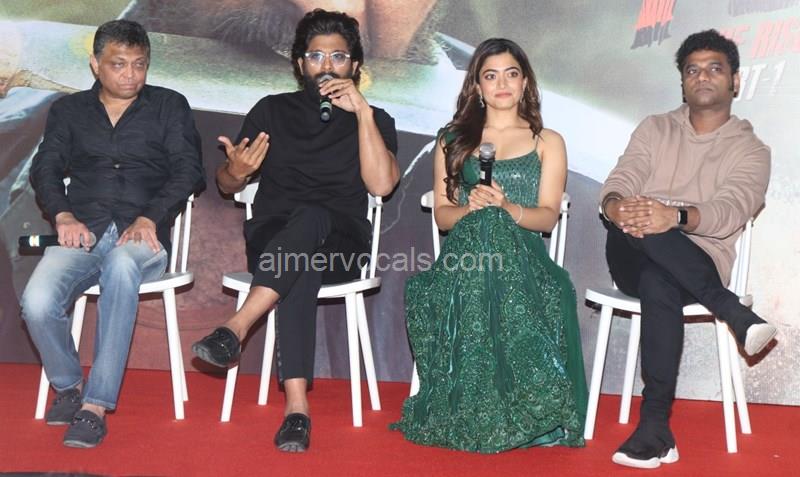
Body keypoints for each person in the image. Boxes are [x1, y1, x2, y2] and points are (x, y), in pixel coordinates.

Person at [191, 9, 399, 453]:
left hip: (343, 246)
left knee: (312, 220)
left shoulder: (376, 118)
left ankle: (236, 328)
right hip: (274, 241)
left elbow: (382, 185)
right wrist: (235, 171)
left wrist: (361, 113)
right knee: (299, 257)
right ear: (300, 63)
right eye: (316, 56)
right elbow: (227, 185)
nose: (326, 66)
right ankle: (296, 410)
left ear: (355, 65)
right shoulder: (272, 110)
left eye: (338, 56)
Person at [391, 38, 587, 453]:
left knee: (494, 224)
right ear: (477, 86)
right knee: (483, 225)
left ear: (525, 83)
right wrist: (471, 208)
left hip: (527, 265)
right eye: (491, 75)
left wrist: (507, 207)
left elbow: (548, 217)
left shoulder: (548, 141)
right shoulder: (452, 139)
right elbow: (443, 216)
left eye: (511, 74)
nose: (502, 84)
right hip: (464, 264)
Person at [20, 19, 204, 448]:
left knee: (121, 266)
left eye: (139, 64)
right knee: (37, 302)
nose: (130, 75)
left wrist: (150, 217)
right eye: (119, 64)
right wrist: (63, 215)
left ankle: (95, 407)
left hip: (143, 239)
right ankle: (69, 386)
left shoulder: (169, 105)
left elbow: (189, 171)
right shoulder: (69, 111)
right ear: (95, 64)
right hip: (82, 233)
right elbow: (45, 168)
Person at [599, 29, 776, 469]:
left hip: (700, 263)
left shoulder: (752, 150)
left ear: (735, 81)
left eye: (715, 68)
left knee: (659, 278)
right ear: (682, 82)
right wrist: (617, 206)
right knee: (643, 228)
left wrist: (674, 217)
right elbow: (621, 180)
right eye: (692, 70)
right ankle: (732, 310)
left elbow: (730, 212)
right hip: (629, 249)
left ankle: (654, 426)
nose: (703, 77)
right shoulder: (655, 128)